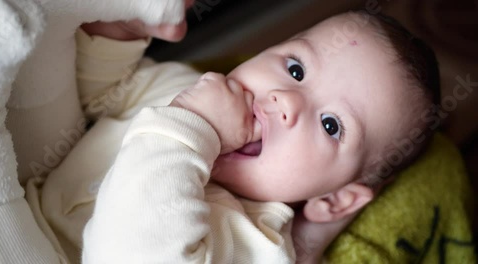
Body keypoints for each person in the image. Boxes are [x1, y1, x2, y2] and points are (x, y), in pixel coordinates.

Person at [70, 10, 440, 264]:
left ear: (335, 198)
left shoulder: (259, 245)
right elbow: (97, 92)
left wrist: (192, 126)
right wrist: (119, 32)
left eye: (331, 125)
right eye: (295, 69)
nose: (288, 101)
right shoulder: (184, 86)